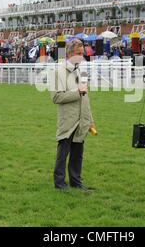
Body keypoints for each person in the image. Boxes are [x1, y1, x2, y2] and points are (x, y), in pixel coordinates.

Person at [50, 39, 96, 192]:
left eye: (82, 54)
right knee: (63, 153)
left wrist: (90, 119)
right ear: (69, 54)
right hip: (68, 120)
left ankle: (76, 181)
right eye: (78, 54)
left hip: (82, 119)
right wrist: (77, 93)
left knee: (78, 154)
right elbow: (56, 97)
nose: (81, 57)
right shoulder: (58, 72)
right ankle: (60, 183)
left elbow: (85, 97)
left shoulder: (81, 71)